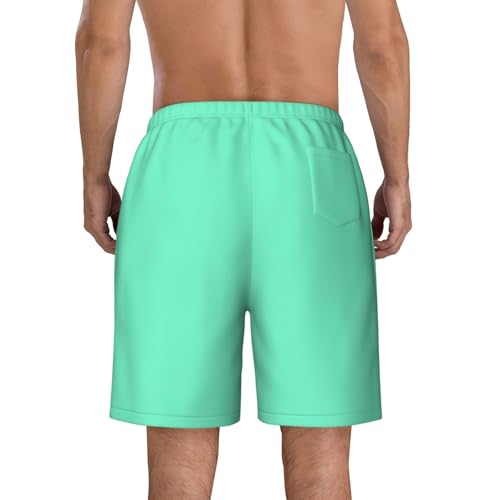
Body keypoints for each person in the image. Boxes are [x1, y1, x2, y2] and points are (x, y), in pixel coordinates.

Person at [75, 0, 411, 498]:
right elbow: (382, 45)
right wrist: (397, 176)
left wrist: (94, 175)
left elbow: (101, 42)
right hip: (312, 172)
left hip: (182, 168)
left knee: (177, 450)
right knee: (320, 449)